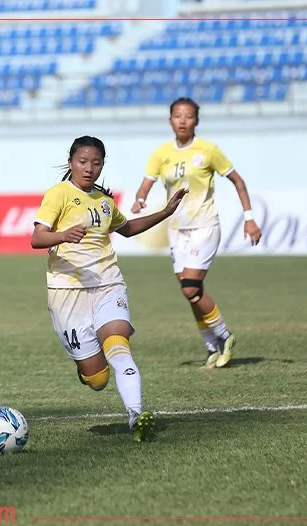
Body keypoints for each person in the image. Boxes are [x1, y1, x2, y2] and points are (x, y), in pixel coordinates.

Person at [32, 136, 186, 442]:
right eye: (83, 162)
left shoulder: (104, 201)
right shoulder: (59, 194)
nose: (90, 169)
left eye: (97, 163)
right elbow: (37, 239)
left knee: (118, 343)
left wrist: (165, 212)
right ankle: (88, 366)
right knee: (98, 379)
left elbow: (127, 229)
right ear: (71, 162)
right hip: (67, 292)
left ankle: (136, 416)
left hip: (107, 282)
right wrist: (63, 235)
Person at [130, 97, 262, 368]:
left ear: (196, 121)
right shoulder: (161, 153)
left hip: (204, 226)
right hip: (177, 230)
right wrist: (140, 199)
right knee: (189, 290)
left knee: (191, 287)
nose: (182, 120)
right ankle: (211, 346)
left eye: (188, 116)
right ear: (169, 121)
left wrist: (249, 219)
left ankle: (224, 336)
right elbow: (146, 183)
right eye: (177, 116)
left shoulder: (208, 150)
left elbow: (238, 181)